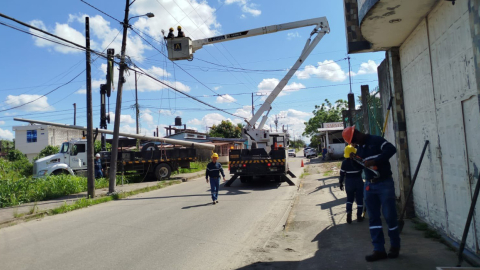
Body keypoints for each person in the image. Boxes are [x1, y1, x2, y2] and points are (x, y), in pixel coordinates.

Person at [342, 126, 399, 262]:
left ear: (357, 134)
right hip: (369, 185)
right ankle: (378, 250)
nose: (354, 144)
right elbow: (360, 167)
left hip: (384, 183)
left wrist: (375, 161)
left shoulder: (377, 140)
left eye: (353, 140)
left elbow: (391, 149)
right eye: (352, 143)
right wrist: (354, 161)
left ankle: (395, 247)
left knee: (390, 216)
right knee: (373, 218)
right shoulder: (360, 149)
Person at [339, 145, 364, 224]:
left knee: (349, 199)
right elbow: (363, 168)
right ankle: (359, 216)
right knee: (359, 199)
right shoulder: (358, 161)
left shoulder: (344, 162)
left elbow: (342, 174)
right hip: (358, 181)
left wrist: (341, 183)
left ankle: (349, 212)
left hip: (349, 182)